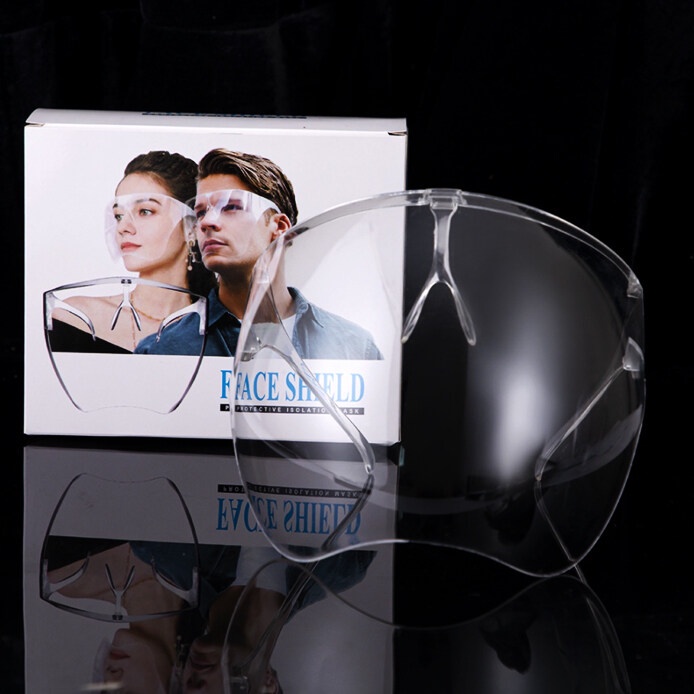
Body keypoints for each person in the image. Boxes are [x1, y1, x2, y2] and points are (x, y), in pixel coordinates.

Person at [135, 148, 382, 359]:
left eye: (231, 207)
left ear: (279, 227)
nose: (207, 222)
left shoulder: (353, 346)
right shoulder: (161, 349)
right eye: (200, 213)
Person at [51, 150, 217, 352]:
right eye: (119, 215)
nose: (123, 227)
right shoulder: (77, 317)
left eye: (145, 211)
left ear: (191, 227)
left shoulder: (220, 331)